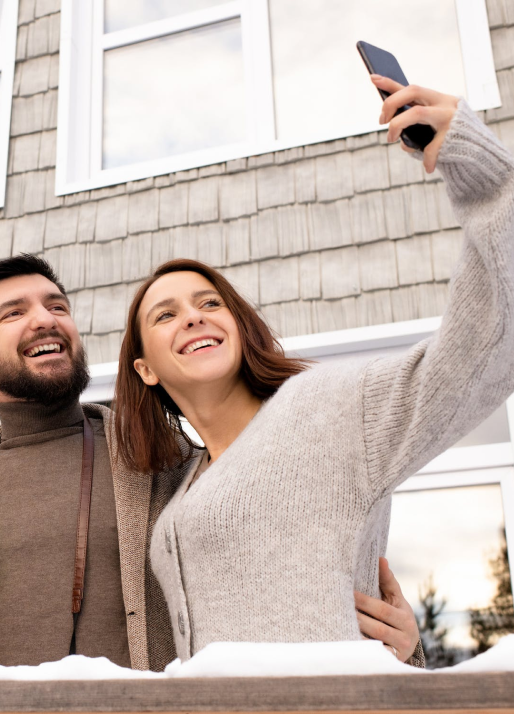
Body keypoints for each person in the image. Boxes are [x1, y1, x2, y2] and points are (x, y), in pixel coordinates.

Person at [114, 78, 514, 661]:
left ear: (239, 324)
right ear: (145, 369)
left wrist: (486, 176)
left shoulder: (326, 408)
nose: (194, 319)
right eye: (166, 315)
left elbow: (485, 346)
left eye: (209, 303)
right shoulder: (179, 484)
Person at [0, 255, 422, 670]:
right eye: (14, 313)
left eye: (58, 306)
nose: (47, 319)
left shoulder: (165, 456)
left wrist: (403, 649)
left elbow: (294, 558)